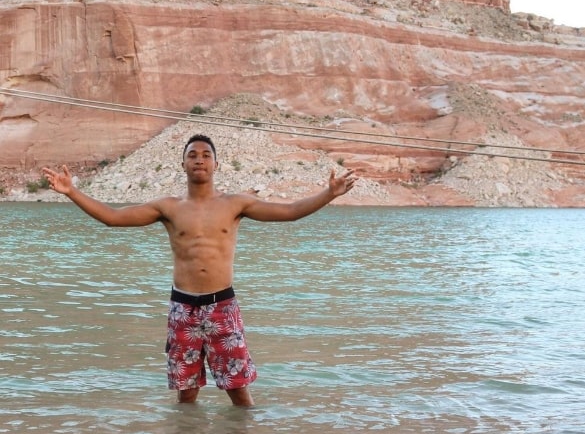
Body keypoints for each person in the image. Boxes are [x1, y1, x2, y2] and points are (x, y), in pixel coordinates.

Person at [42, 133, 357, 407]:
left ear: (216, 165)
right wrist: (72, 192)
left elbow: (289, 212)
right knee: (186, 392)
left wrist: (328, 193)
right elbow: (112, 217)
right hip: (183, 309)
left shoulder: (236, 204)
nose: (199, 160)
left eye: (206, 155)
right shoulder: (168, 207)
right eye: (192, 155)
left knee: (238, 391)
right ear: (182, 165)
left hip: (222, 307)